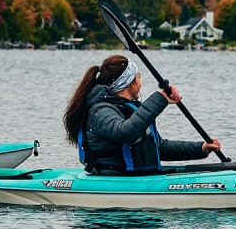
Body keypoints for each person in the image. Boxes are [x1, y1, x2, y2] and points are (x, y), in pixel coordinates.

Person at [63, 54, 221, 175]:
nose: (140, 82)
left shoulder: (129, 108)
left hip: (136, 178)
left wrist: (201, 148)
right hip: (114, 181)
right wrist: (160, 99)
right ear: (129, 82)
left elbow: (159, 147)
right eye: (138, 77)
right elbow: (125, 132)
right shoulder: (100, 110)